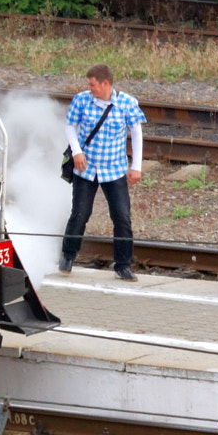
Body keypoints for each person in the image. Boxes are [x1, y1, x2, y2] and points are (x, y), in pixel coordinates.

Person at [58, 63, 145, 281]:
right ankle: (68, 255)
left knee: (122, 217)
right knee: (80, 213)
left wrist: (137, 166)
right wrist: (77, 151)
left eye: (93, 84)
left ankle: (123, 265)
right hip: (86, 169)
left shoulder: (127, 103)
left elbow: (136, 132)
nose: (90, 88)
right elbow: (70, 126)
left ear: (105, 83)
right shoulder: (81, 100)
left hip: (114, 169)